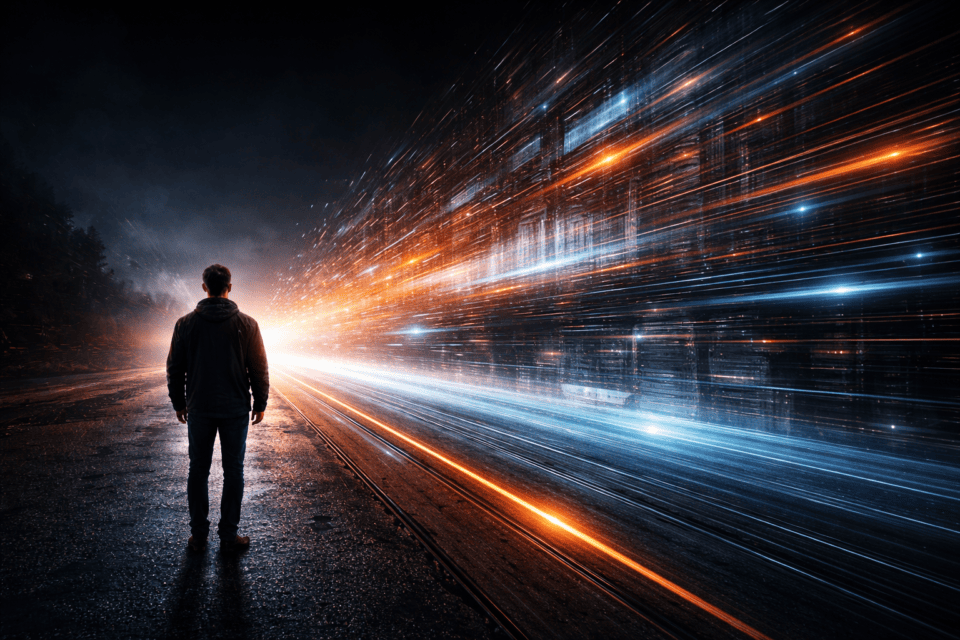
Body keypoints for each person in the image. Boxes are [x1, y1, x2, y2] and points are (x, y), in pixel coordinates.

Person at [166, 264, 269, 552]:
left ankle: (199, 536)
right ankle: (228, 536)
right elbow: (259, 368)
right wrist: (260, 402)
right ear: (230, 288)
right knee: (233, 470)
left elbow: (174, 369)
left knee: (198, 470)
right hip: (235, 408)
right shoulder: (248, 324)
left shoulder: (185, 324)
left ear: (204, 287)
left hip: (199, 407)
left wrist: (179, 402)